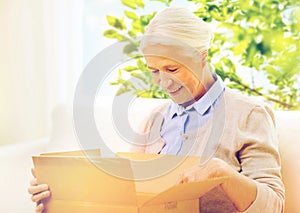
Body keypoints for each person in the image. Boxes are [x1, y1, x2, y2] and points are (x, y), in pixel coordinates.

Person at [28, 6, 285, 213]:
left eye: (172, 69)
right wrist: (60, 197)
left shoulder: (249, 115)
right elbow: (126, 197)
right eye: (154, 71)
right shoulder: (155, 120)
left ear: (201, 56)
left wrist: (223, 173)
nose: (164, 82)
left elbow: (273, 206)